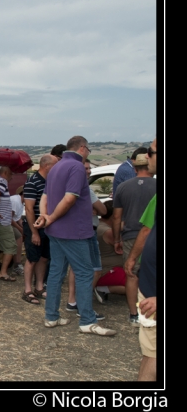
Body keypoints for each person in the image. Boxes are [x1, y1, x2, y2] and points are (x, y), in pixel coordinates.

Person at [34, 136, 116, 336]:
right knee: (85, 273)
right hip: (74, 231)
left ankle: (51, 316)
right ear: (81, 148)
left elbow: (44, 197)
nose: (88, 152)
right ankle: (87, 320)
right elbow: (70, 198)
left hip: (55, 232)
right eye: (88, 149)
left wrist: (45, 217)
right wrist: (51, 217)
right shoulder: (77, 167)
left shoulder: (56, 167)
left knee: (56, 273)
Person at [124, 138, 158, 381]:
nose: (149, 155)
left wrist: (131, 257)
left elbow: (145, 230)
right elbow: (148, 230)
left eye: (152, 151)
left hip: (154, 294)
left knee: (152, 355)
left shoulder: (124, 186)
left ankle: (131, 314)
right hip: (151, 289)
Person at [112, 153, 156, 327]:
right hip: (153, 236)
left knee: (131, 275)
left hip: (131, 236)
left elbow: (116, 217)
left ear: (135, 168)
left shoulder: (123, 187)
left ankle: (134, 314)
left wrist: (116, 239)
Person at [65, 160, 107, 320]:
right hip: (88, 231)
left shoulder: (70, 187)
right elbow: (103, 209)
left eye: (90, 168)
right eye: (86, 168)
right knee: (94, 270)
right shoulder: (86, 190)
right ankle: (84, 305)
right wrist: (95, 209)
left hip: (76, 231)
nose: (89, 171)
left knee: (76, 268)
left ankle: (72, 301)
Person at [21, 154, 57, 305]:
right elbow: (29, 210)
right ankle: (27, 290)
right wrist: (34, 232)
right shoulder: (32, 183)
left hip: (47, 227)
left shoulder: (49, 182)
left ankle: (39, 287)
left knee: (44, 258)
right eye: (55, 165)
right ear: (47, 166)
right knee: (32, 258)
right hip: (34, 227)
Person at [93, 200, 126, 303]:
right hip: (107, 270)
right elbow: (126, 247)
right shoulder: (108, 232)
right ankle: (102, 289)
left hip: (107, 268)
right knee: (136, 285)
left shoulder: (99, 225)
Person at [10, 186, 25, 275]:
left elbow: (18, 218)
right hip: (4, 222)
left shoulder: (21, 202)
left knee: (21, 233)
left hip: (9, 221)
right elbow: (10, 218)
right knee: (19, 237)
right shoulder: (15, 201)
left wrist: (25, 227)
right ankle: (17, 265)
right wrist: (20, 229)